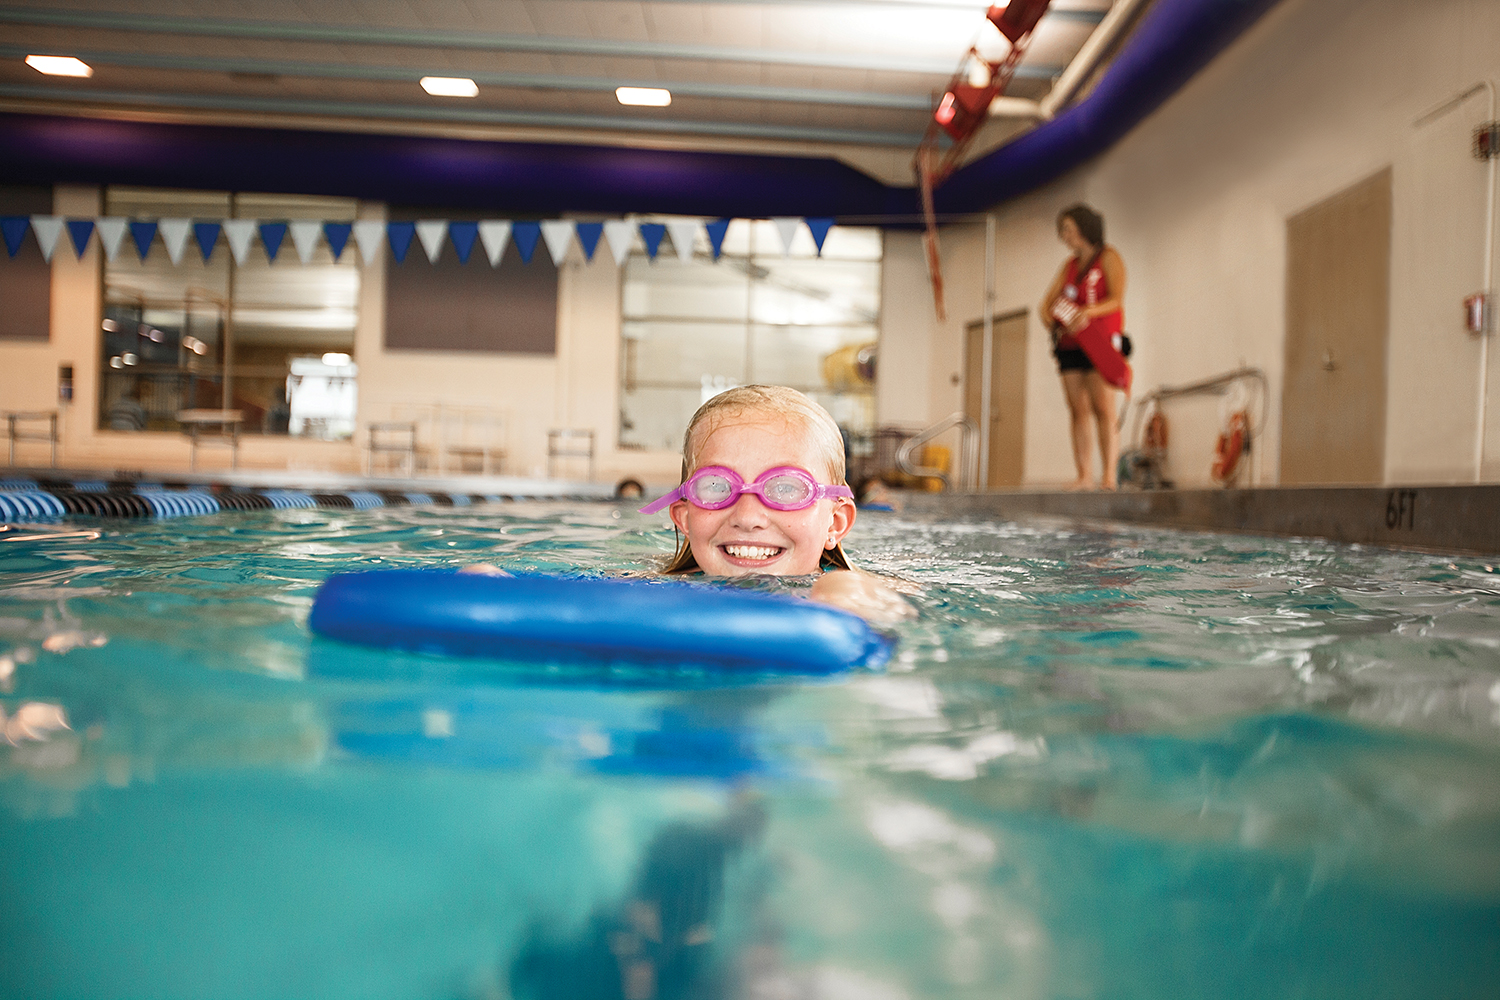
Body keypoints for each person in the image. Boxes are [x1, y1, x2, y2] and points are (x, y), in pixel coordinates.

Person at [641, 385, 913, 625]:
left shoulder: (840, 589)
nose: (747, 518)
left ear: (835, 523)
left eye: (786, 488)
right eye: (716, 486)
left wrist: (850, 592)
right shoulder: (650, 587)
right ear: (684, 518)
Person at [1039, 204, 1131, 491]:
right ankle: (1084, 475)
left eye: (1068, 228)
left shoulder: (1109, 257)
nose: (1064, 235)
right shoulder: (1068, 267)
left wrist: (1086, 313)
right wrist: (1054, 324)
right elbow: (1046, 305)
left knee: (1103, 407)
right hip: (1070, 346)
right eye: (1062, 230)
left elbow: (1116, 298)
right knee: (1077, 410)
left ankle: (1109, 476)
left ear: (1084, 228)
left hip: (1100, 342)